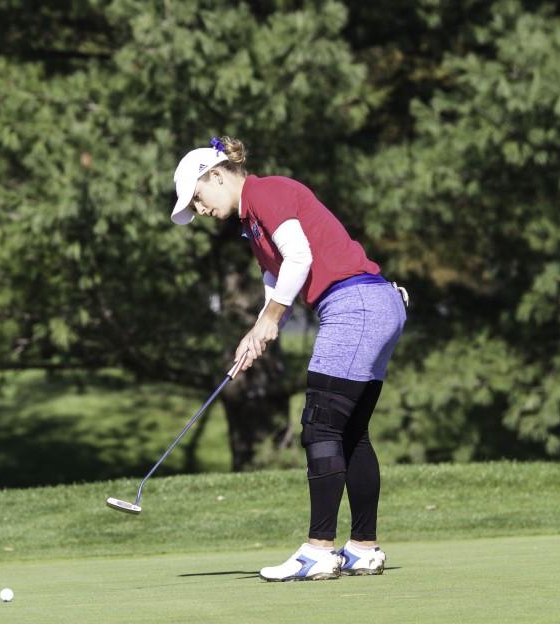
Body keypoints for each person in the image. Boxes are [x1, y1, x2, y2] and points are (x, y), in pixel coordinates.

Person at [170, 137, 407, 582]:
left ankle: (319, 551)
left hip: (355, 304)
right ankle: (363, 548)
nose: (199, 210)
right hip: (376, 305)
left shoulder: (265, 192)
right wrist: (257, 333)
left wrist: (270, 320)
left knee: (320, 424)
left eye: (198, 197)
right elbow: (278, 279)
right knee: (350, 432)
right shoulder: (252, 223)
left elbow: (300, 258)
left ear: (216, 175)